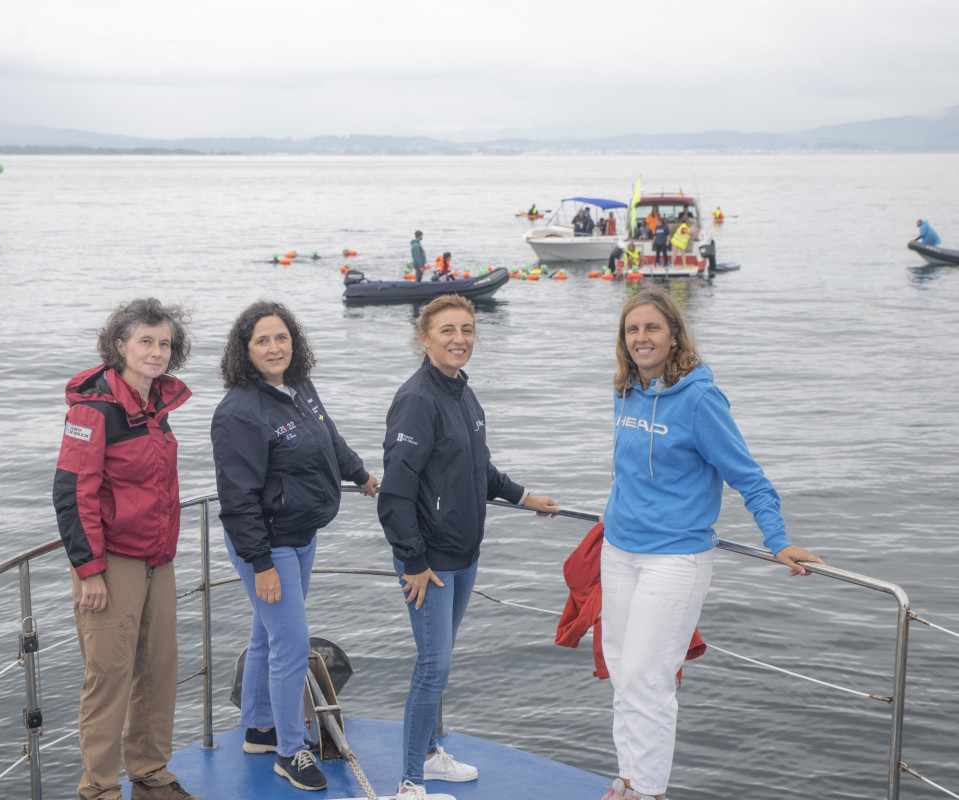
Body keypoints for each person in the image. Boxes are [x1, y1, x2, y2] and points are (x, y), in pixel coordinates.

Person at [598, 288, 823, 800]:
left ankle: (649, 790)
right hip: (620, 551)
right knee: (621, 669)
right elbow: (631, 473)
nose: (641, 338)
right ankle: (629, 778)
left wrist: (778, 539)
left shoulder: (700, 399)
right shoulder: (625, 389)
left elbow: (749, 476)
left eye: (652, 328)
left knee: (647, 675)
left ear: (674, 335)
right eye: (632, 329)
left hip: (674, 557)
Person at [378, 295, 561, 800]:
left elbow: (479, 469)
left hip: (464, 554)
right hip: (429, 560)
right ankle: (409, 782)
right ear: (425, 337)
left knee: (442, 663)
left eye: (467, 329)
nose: (459, 338)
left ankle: (432, 756)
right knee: (432, 666)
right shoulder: (418, 399)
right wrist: (413, 561)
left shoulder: (461, 390)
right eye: (447, 330)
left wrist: (524, 497)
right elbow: (395, 493)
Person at [212, 301, 379, 793]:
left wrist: (361, 474)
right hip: (267, 543)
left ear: (294, 342)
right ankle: (290, 752)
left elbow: (330, 438)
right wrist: (261, 563)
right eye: (262, 340)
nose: (274, 347)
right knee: (291, 645)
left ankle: (261, 729)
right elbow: (237, 498)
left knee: (267, 637)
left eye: (281, 337)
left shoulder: (299, 388)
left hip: (302, 534)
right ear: (245, 350)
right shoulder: (239, 412)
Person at [52, 298, 202, 800]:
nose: (157, 352)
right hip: (111, 562)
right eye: (145, 341)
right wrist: (89, 570)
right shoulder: (94, 410)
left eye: (164, 343)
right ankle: (98, 789)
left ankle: (150, 772)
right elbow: (72, 493)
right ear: (119, 346)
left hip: (157, 560)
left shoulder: (157, 405)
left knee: (159, 671)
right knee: (109, 677)